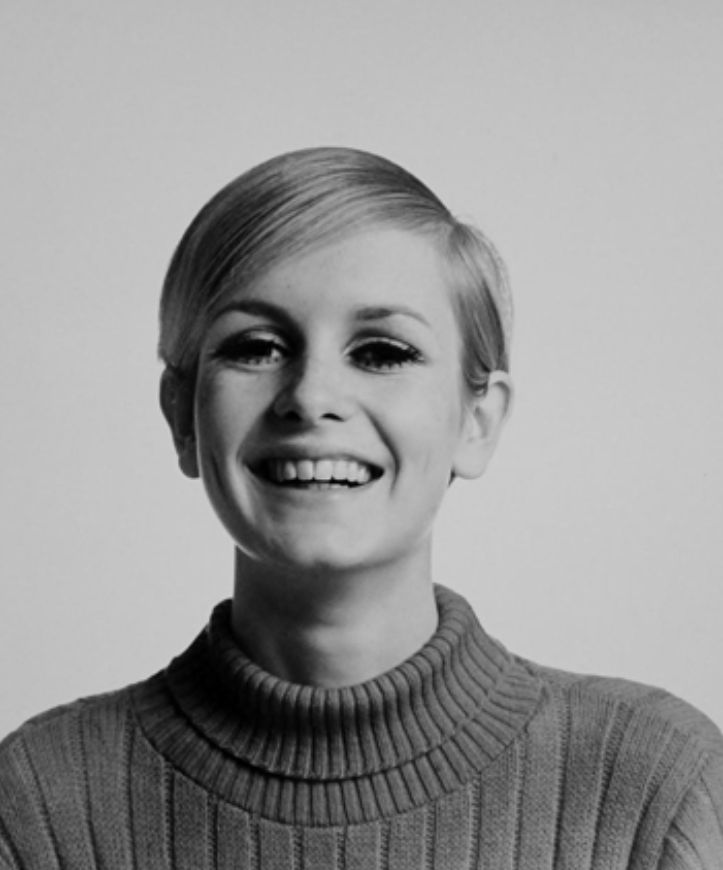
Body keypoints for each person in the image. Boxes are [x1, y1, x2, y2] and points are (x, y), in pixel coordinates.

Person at [0, 147, 721, 870]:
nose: (311, 397)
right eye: (256, 347)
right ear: (181, 415)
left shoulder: (658, 793)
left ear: (477, 421)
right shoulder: (37, 804)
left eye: (382, 353)